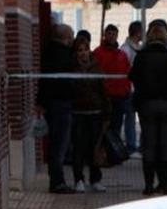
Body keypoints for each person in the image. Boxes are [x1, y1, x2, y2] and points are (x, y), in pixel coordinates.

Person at [129, 18, 167, 196]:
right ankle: (166, 185)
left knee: (149, 144)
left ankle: (148, 185)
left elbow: (132, 77)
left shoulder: (142, 57)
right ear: (165, 38)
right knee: (166, 144)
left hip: (147, 104)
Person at [36, 24, 77, 194]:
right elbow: (63, 81)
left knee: (57, 143)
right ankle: (57, 182)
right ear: (66, 37)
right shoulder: (63, 54)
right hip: (61, 103)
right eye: (71, 36)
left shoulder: (48, 52)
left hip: (52, 103)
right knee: (60, 144)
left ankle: (57, 179)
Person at [69, 34, 109, 192]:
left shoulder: (96, 67)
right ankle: (78, 179)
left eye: (85, 50)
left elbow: (103, 90)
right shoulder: (72, 68)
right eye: (79, 50)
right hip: (78, 112)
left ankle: (95, 179)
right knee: (78, 147)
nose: (83, 53)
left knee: (95, 146)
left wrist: (107, 111)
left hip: (95, 112)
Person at [93, 23, 132, 162]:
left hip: (120, 96)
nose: (111, 36)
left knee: (116, 127)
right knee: (103, 128)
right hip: (105, 97)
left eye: (114, 34)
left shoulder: (122, 54)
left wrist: (126, 90)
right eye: (109, 34)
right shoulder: (98, 53)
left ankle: (113, 154)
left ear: (117, 35)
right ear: (105, 35)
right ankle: (103, 154)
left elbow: (128, 73)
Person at [121, 21, 144, 156]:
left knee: (138, 117)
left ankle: (137, 144)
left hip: (137, 89)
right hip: (130, 89)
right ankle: (131, 145)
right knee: (130, 117)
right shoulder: (126, 49)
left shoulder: (137, 48)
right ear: (138, 32)